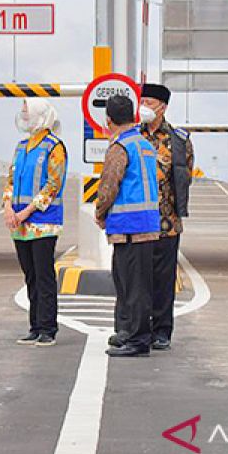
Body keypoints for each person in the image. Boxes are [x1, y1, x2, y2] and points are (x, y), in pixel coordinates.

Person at [109, 84, 195, 352]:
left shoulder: (179, 140)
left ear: (163, 107)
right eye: (141, 100)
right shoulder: (132, 135)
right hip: (137, 222)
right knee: (131, 280)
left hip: (167, 222)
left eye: (149, 101)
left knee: (162, 279)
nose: (143, 105)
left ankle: (160, 331)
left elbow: (185, 176)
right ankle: (129, 329)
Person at [93, 94, 160, 358]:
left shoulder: (120, 147)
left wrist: (100, 212)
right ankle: (127, 331)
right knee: (132, 284)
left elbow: (109, 185)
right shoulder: (144, 144)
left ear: (108, 119)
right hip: (145, 224)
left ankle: (138, 339)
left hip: (130, 227)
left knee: (133, 287)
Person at [3, 97, 65, 347]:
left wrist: (25, 212)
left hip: (42, 222)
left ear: (41, 116)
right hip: (19, 224)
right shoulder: (21, 147)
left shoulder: (54, 147)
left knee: (44, 276)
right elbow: (10, 179)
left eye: (27, 112)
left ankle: (48, 327)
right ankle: (35, 325)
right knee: (30, 276)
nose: (23, 116)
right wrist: (8, 207)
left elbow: (53, 185)